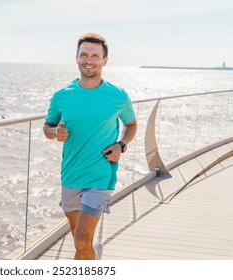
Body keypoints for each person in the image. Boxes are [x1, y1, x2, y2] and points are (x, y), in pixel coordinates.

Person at [43, 32, 137, 260]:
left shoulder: (118, 96)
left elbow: (131, 124)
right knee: (80, 240)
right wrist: (55, 132)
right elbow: (47, 127)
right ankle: (94, 254)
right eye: (84, 54)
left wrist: (121, 145)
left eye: (95, 55)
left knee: (82, 240)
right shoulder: (62, 96)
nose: (89, 59)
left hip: (101, 174)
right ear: (76, 57)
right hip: (71, 174)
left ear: (105, 60)